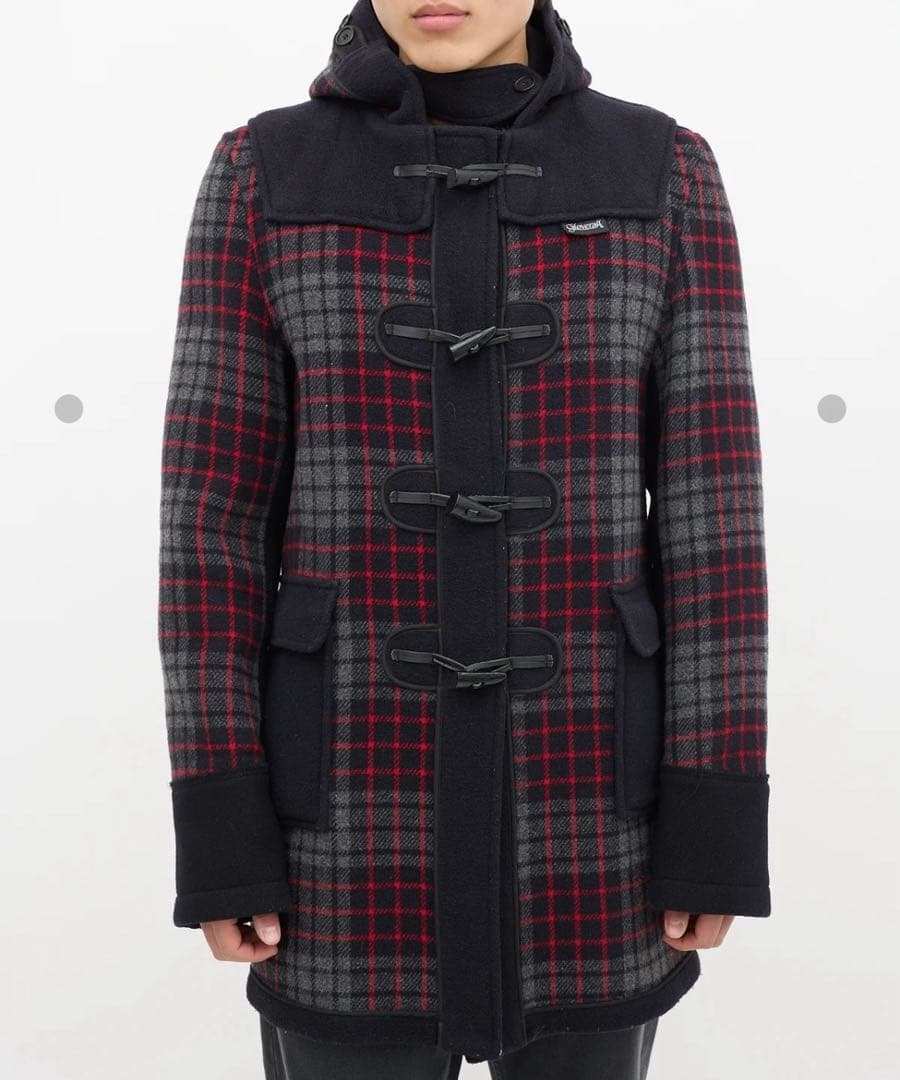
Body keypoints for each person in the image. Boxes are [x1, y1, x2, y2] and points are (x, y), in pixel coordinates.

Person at [157, 1, 772, 1077]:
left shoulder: (662, 169)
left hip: (595, 810)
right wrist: (224, 834)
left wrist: (712, 824)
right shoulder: (265, 171)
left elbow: (713, 523)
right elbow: (208, 531)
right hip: (340, 815)